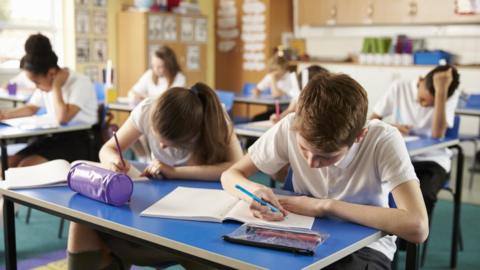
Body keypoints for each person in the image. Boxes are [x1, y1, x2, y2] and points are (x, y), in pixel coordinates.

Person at [221, 73, 429, 269]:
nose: (311, 163)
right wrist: (254, 191)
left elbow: (417, 226)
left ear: (359, 135)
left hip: (365, 248)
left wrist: (325, 206)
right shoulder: (290, 126)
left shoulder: (383, 139)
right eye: (304, 149)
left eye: (327, 156)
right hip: (297, 233)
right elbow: (230, 175)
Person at [67, 83, 244, 269]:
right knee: (82, 220)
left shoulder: (214, 119)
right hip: (155, 204)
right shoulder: (147, 110)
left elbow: (235, 168)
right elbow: (108, 148)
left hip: (200, 214)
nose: (160, 147)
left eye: (169, 145)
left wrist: (175, 173)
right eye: (157, 138)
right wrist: (112, 162)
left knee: (204, 250)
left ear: (192, 136)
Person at [370, 65, 460, 224]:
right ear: (421, 81)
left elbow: (437, 134)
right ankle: (395, 241)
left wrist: (441, 92)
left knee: (424, 195)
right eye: (424, 99)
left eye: (431, 104)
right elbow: (373, 121)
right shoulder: (399, 87)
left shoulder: (448, 96)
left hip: (433, 161)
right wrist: (392, 126)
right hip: (400, 158)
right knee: (377, 190)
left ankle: (410, 243)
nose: (424, 106)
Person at [0, 33, 98, 167]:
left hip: (79, 141)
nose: (37, 87)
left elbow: (62, 118)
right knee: (7, 163)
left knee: (25, 166)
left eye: (37, 82)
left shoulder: (80, 82)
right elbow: (31, 108)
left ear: (51, 74)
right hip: (52, 137)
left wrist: (56, 86)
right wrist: (4, 114)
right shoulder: (45, 84)